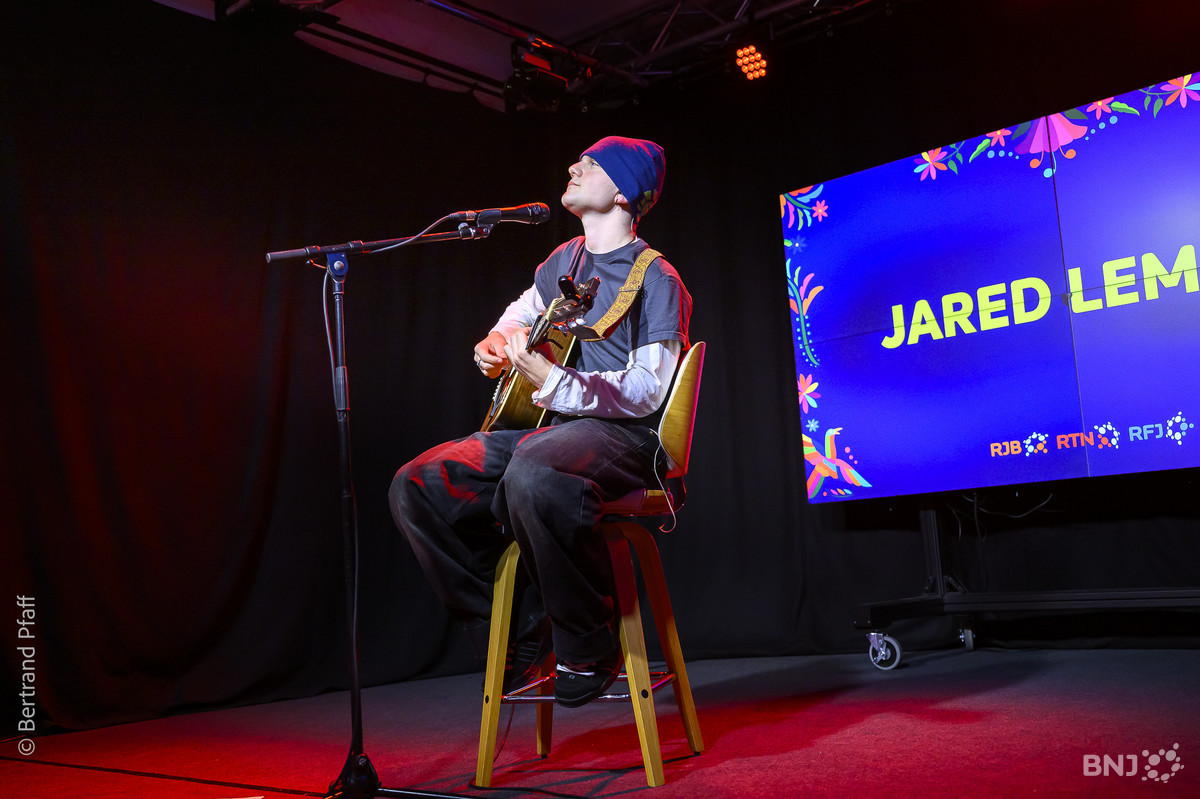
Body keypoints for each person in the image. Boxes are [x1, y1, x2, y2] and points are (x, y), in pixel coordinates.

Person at [389, 136, 691, 708]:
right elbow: (520, 312)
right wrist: (496, 341)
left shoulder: (658, 279)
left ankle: (589, 643)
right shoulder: (563, 261)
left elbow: (649, 391)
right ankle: (516, 633)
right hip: (554, 434)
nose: (575, 166)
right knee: (420, 483)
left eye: (592, 163)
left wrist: (552, 379)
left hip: (626, 437)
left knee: (534, 468)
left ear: (623, 192)